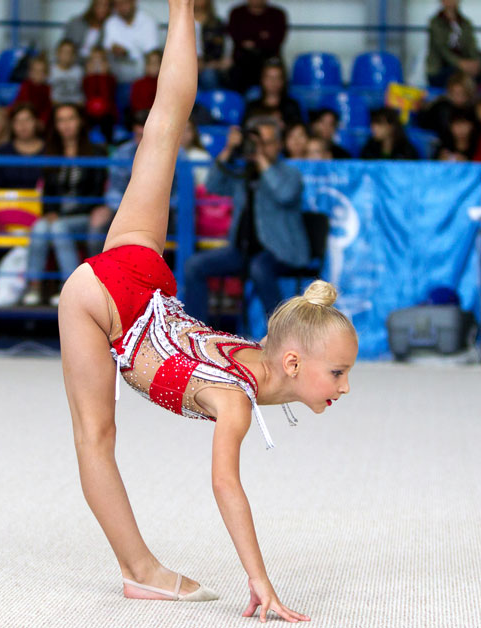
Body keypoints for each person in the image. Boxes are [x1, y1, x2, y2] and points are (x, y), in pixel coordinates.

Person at [59, 3, 349, 621]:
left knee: (166, 126)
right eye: (338, 373)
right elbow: (225, 486)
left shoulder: (260, 356)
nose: (345, 387)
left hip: (140, 273)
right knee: (95, 437)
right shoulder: (238, 401)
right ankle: (140, 571)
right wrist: (260, 581)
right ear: (293, 362)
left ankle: (180, 7)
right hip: (106, 302)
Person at [183, 115, 308, 324]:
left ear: (278, 144)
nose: (257, 147)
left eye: (264, 143)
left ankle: (280, 330)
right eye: (254, 142)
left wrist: (262, 161)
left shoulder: (290, 173)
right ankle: (196, 332)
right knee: (194, 265)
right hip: (241, 252)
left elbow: (284, 194)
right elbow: (213, 185)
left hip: (281, 251)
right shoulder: (244, 174)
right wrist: (228, 150)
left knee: (259, 267)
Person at [22, 104, 111, 307]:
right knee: (39, 227)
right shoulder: (51, 153)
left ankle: (68, 288)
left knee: (59, 227)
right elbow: (48, 193)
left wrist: (59, 216)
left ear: (80, 121)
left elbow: (96, 193)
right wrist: (50, 212)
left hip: (85, 215)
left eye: (70, 119)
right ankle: (33, 287)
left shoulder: (96, 152)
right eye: (61, 120)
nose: (66, 125)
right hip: (58, 216)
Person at [227, 0, 288, 91]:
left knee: (274, 73)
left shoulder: (277, 14)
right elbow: (236, 38)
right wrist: (262, 38)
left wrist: (251, 41)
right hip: (242, 62)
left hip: (269, 60)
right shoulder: (237, 13)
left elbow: (276, 41)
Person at [0, 103, 45, 189]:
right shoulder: (3, 150)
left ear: (36, 122)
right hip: (7, 201)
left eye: (27, 120)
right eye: (17, 121)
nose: (23, 125)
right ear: (12, 125)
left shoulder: (49, 150)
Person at [426, 0, 481, 89]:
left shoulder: (465, 23)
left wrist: (475, 62)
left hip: (463, 66)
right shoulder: (435, 23)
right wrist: (460, 63)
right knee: (457, 74)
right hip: (440, 69)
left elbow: (472, 46)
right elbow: (442, 50)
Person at [103, 0, 161, 83]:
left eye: (124, 2)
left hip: (143, 73)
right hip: (116, 73)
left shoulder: (148, 21)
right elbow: (106, 49)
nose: (122, 7)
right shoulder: (110, 22)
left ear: (134, 2)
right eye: (118, 4)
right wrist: (115, 50)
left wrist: (128, 53)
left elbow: (152, 53)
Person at [243, 58, 303, 128]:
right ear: (262, 80)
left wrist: (283, 125)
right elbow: (246, 130)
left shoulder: (291, 106)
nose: (273, 82)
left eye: (277, 78)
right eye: (269, 78)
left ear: (283, 81)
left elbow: (298, 131)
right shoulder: (252, 107)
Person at [417, 71, 475, 140]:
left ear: (469, 94)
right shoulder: (443, 107)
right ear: (449, 92)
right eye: (455, 93)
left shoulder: (472, 110)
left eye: (462, 94)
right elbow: (444, 133)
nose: (458, 98)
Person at [83, 48, 119, 143]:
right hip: (90, 112)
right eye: (94, 61)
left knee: (107, 121)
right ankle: (85, 144)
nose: (97, 65)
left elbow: (107, 96)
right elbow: (89, 95)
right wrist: (91, 76)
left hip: (107, 112)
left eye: (100, 61)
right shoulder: (87, 79)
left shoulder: (110, 79)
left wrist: (103, 76)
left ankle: (109, 145)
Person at [194, 0, 230, 90]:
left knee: (208, 75)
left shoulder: (217, 23)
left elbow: (223, 51)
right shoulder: (181, 23)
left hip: (211, 66)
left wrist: (208, 64)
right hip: (186, 65)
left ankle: (209, 102)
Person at [12, 55, 53, 126]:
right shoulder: (25, 85)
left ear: (47, 75)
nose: (37, 74)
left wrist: (43, 120)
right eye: (35, 71)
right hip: (23, 114)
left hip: (39, 120)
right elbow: (23, 104)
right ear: (30, 73)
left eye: (41, 72)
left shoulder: (47, 88)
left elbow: (47, 108)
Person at [50, 39, 85, 106]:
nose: (67, 55)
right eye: (64, 52)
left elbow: (84, 92)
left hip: (76, 106)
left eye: (70, 52)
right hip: (56, 106)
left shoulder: (80, 71)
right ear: (57, 53)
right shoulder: (50, 70)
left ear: (74, 55)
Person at [128, 49, 162, 117]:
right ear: (146, 65)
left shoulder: (164, 84)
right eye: (150, 63)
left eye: (156, 63)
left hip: (159, 115)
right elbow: (135, 104)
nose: (153, 66)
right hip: (142, 116)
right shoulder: (138, 83)